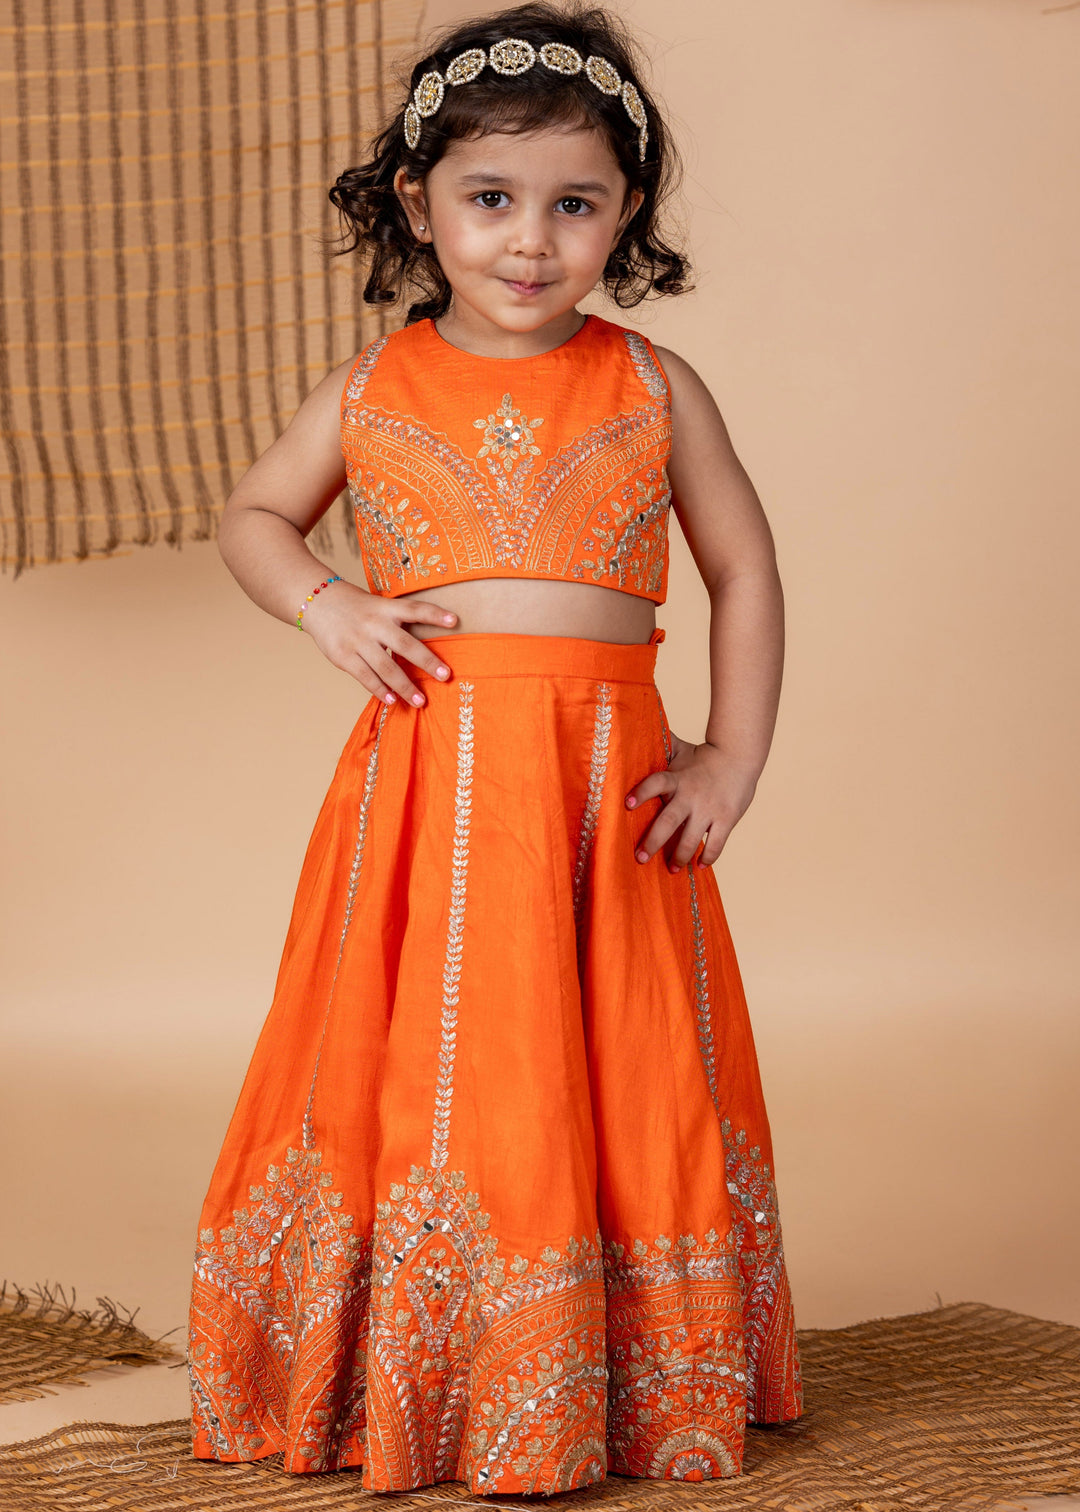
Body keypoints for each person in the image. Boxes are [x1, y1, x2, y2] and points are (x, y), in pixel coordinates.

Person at [187, 1, 803, 1495]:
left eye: (573, 205)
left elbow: (747, 572)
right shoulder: (372, 389)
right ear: (420, 204)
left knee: (619, 1063)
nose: (531, 241)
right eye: (491, 200)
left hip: (610, 803)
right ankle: (417, 1371)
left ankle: (620, 1372)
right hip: (434, 804)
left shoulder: (654, 387)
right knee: (441, 1068)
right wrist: (324, 602)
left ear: (624, 216)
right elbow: (252, 521)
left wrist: (730, 758)